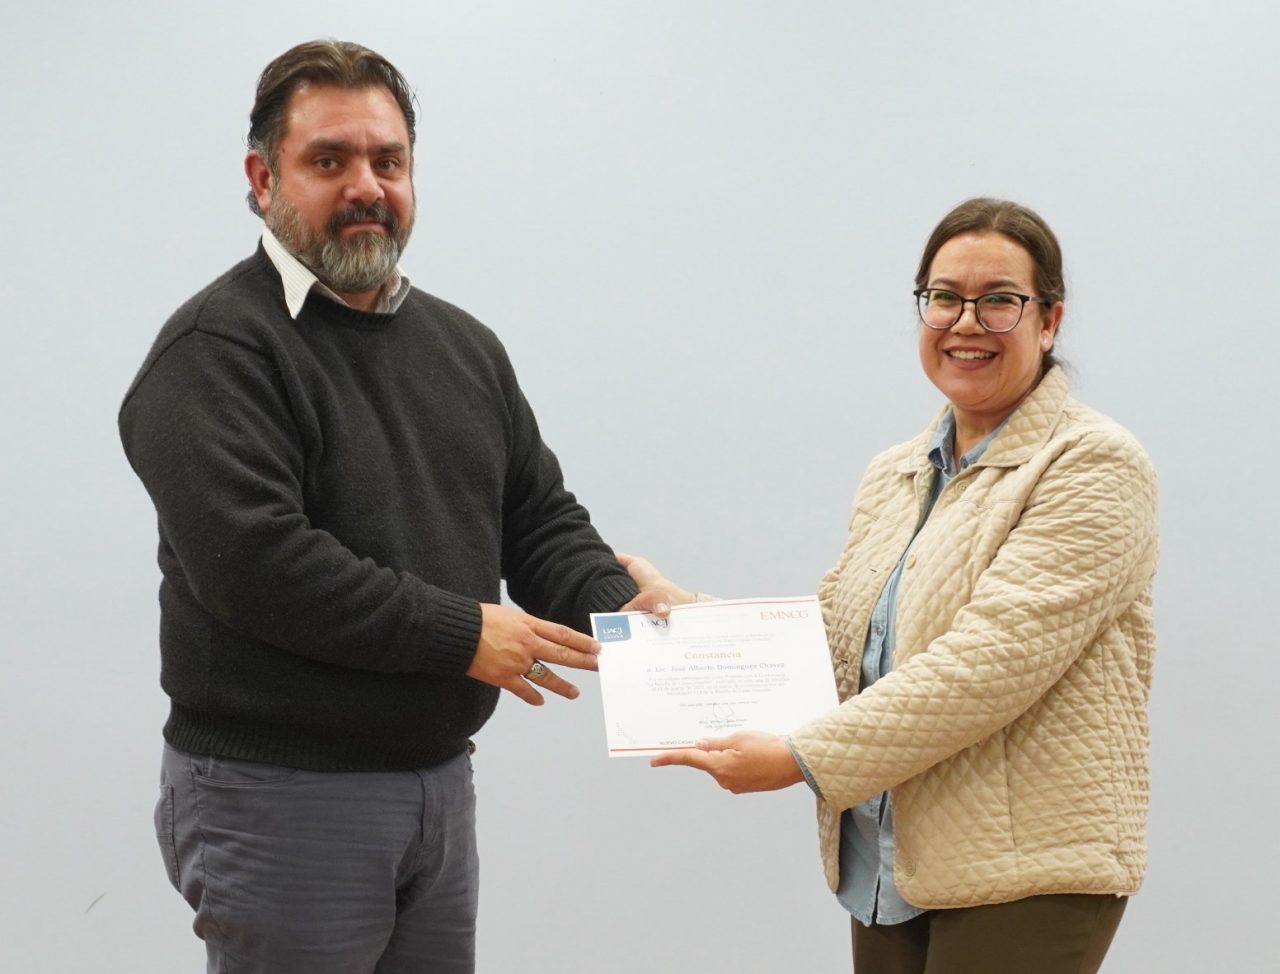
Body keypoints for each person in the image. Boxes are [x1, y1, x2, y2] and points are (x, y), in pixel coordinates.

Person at [118, 39, 641, 973]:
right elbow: (260, 568)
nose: (366, 186)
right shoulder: (214, 351)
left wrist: (635, 616)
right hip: (278, 797)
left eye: (387, 161)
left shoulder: (463, 346)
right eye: (329, 161)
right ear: (263, 178)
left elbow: (538, 521)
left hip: (437, 787)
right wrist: (464, 634)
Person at [621, 198, 1158, 973]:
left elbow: (988, 665)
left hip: (1026, 874)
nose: (966, 322)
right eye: (944, 297)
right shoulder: (897, 472)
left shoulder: (1094, 464)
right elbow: (843, 639)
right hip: (887, 862)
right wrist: (688, 622)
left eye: (999, 301)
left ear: (1049, 321)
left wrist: (801, 757)